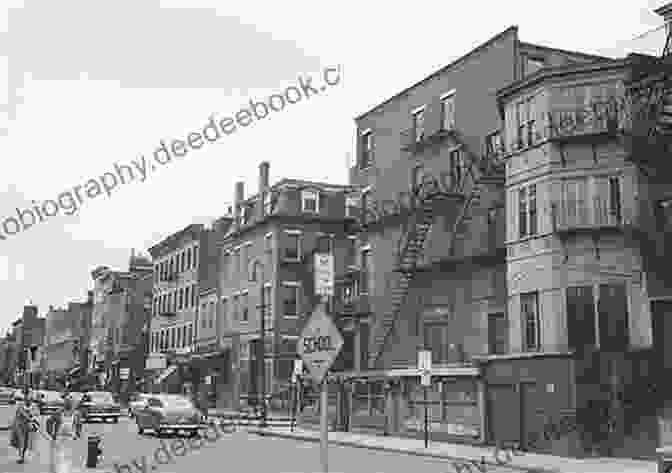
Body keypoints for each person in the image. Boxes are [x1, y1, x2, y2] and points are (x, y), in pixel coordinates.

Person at [46, 397, 78, 473]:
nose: (69, 404)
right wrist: (51, 433)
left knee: (68, 459)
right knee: (58, 459)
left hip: (69, 439)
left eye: (70, 403)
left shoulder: (75, 414)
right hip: (59, 438)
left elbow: (79, 424)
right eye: (67, 403)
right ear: (64, 404)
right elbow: (49, 421)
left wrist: (77, 434)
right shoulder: (58, 412)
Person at [9, 396, 40, 463]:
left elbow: (37, 414)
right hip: (19, 426)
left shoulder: (34, 406)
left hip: (27, 427)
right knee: (21, 441)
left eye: (30, 400)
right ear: (24, 400)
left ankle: (22, 456)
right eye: (27, 400)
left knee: (26, 443)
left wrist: (36, 421)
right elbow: (24, 414)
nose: (28, 401)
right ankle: (20, 457)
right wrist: (31, 418)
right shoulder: (20, 406)